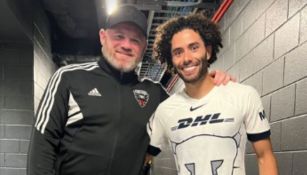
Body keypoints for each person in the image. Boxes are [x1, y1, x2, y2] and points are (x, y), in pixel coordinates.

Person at [27, 5, 233, 175]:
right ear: (103, 37)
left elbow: (194, 110)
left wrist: (213, 82)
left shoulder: (155, 94)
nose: (126, 45)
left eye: (135, 40)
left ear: (144, 47)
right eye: (119, 36)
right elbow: (42, 146)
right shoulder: (69, 78)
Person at [147, 13, 278, 175]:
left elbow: (265, 156)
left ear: (207, 51)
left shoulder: (243, 95)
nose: (186, 58)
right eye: (178, 52)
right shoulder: (165, 110)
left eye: (194, 48)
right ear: (171, 59)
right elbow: (142, 157)